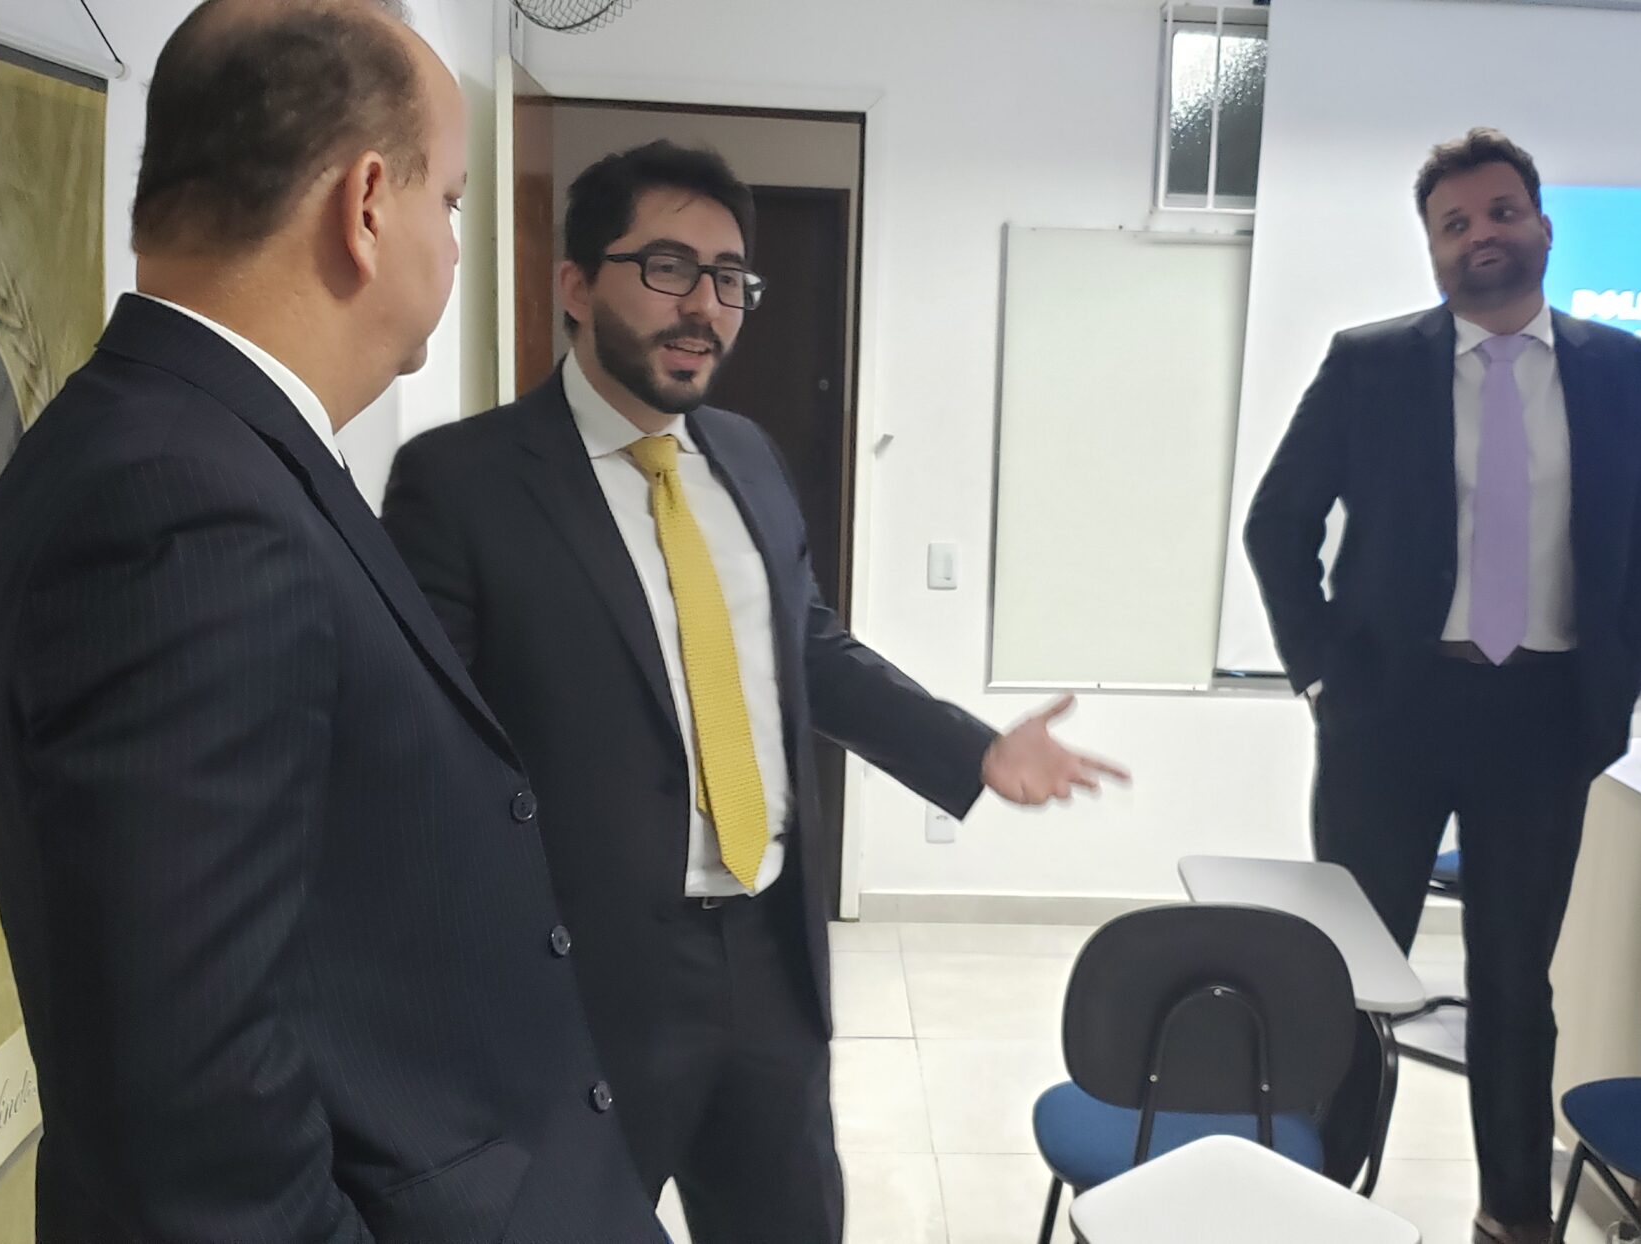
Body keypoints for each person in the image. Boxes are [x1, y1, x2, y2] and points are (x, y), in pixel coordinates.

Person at [0, 3, 662, 1239]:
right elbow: (189, 1128)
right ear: (368, 203)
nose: (454, 246)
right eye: (452, 202)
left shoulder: (190, 445)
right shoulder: (183, 506)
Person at [381, 140, 1127, 1244]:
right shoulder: (462, 482)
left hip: (769, 958)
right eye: (669, 267)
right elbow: (423, 750)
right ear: (576, 285)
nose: (705, 306)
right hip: (582, 982)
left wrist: (971, 750)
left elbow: (807, 649)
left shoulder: (747, 456)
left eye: (730, 277)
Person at [1242, 128, 1641, 1244]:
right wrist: (1320, 676)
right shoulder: (1371, 362)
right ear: (1433, 248)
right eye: (1455, 223)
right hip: (1389, 717)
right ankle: (1323, 1202)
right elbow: (1278, 522)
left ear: (1541, 225)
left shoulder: (1621, 368)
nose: (1480, 234)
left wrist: (1612, 685)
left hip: (1543, 719)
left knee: (1515, 985)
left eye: (1499, 212)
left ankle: (1514, 1216)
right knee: (1356, 971)